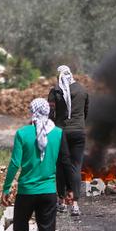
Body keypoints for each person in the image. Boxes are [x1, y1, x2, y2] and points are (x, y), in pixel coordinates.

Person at [2, 98, 72, 231]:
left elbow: (15, 163)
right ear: (48, 112)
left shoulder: (22, 133)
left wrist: (6, 188)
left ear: (32, 112)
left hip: (26, 192)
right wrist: (67, 190)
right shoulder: (58, 133)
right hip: (48, 193)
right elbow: (65, 163)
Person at [48, 65, 89, 217]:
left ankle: (62, 202)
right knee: (75, 167)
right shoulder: (82, 90)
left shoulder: (55, 91)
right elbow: (85, 112)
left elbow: (50, 113)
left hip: (60, 133)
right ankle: (76, 204)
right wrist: (78, 125)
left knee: (61, 166)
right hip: (79, 132)